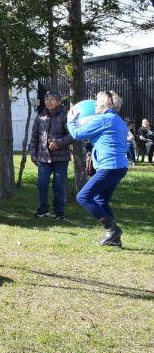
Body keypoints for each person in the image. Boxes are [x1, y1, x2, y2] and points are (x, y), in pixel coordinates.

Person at [68, 91, 128, 247]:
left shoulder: (103, 119)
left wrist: (70, 121)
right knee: (101, 200)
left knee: (83, 197)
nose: (94, 104)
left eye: (97, 101)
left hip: (109, 167)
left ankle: (111, 230)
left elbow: (77, 134)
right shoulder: (119, 121)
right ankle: (114, 238)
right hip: (120, 167)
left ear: (105, 103)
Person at [29, 90, 73, 220]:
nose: (48, 101)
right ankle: (43, 210)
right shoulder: (40, 117)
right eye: (46, 98)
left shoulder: (65, 116)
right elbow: (34, 137)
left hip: (61, 158)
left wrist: (58, 143)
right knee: (42, 184)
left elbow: (72, 135)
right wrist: (33, 154)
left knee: (59, 185)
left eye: (52, 99)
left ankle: (59, 212)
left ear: (59, 102)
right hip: (43, 157)